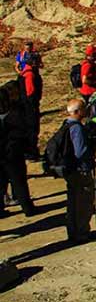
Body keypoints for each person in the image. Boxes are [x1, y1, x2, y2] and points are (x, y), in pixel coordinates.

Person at [0, 81, 36, 217]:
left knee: (1, 183)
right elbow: (23, 132)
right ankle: (27, 208)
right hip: (13, 155)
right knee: (19, 181)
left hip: (3, 155)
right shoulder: (15, 114)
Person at [63, 99, 95, 243]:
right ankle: (82, 233)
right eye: (83, 109)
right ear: (77, 112)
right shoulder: (77, 128)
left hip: (70, 170)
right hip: (80, 170)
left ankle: (72, 231)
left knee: (72, 202)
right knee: (84, 202)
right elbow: (80, 151)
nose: (85, 111)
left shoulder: (66, 125)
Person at [18, 49, 43, 159]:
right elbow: (30, 92)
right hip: (30, 107)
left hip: (27, 106)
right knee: (32, 128)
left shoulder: (27, 72)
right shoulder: (29, 75)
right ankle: (31, 152)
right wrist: (33, 106)